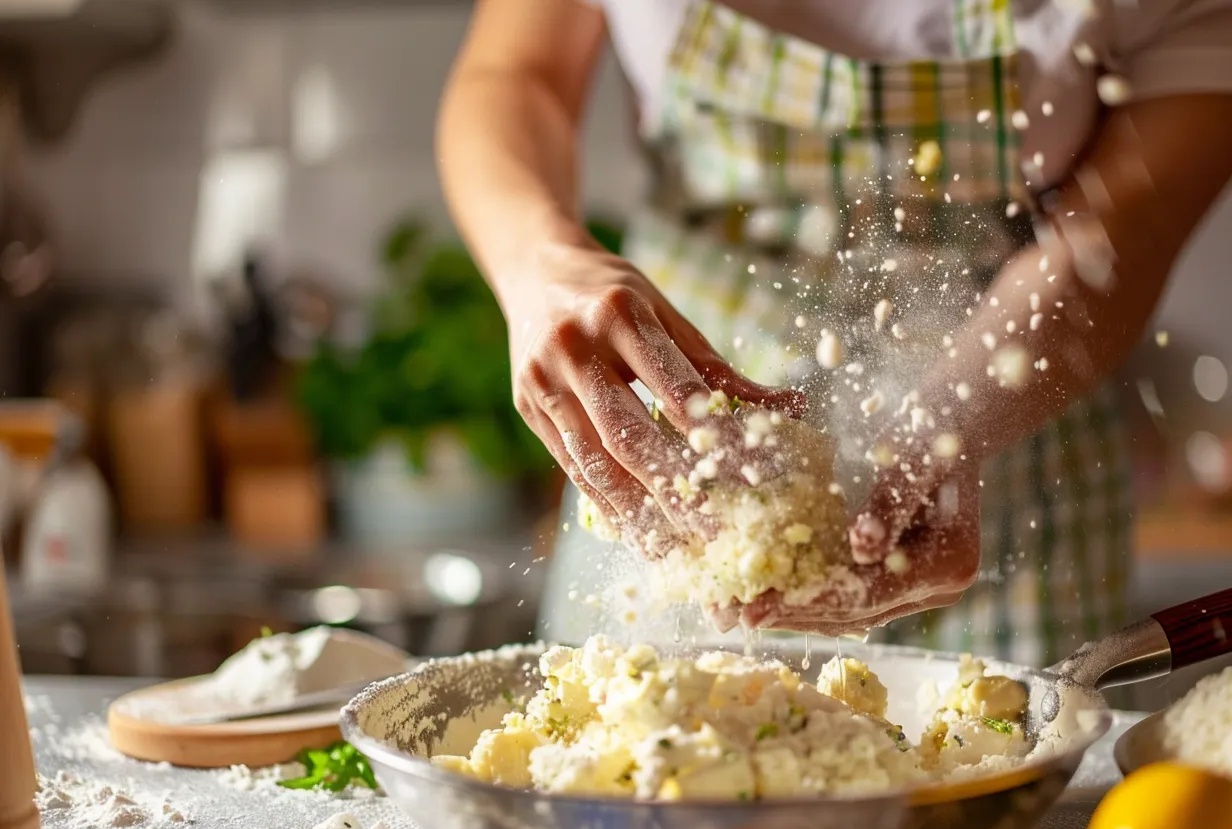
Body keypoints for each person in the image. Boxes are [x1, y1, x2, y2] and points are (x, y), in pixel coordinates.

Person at [438, 0, 1232, 666]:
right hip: (666, 450)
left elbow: (1127, 228)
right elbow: (515, 72)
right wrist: (541, 262)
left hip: (1004, 430)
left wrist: (955, 429)